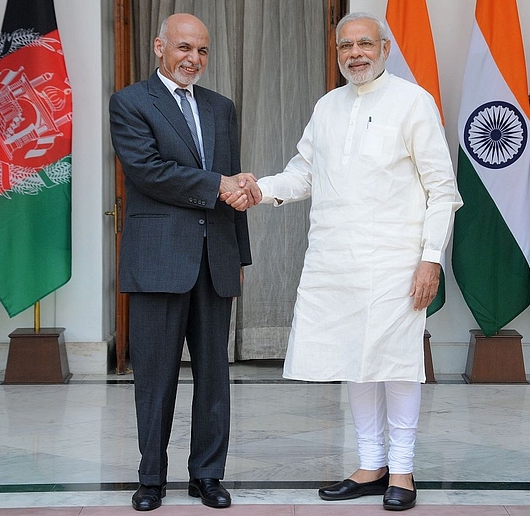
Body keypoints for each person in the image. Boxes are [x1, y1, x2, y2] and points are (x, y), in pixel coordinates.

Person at [224, 11, 462, 512]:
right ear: (337, 56)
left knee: (397, 365)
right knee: (357, 360)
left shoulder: (413, 103)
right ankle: (370, 465)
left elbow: (442, 190)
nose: (355, 53)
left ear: (385, 48)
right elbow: (302, 173)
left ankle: (402, 469)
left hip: (397, 261)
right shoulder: (328, 106)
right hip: (336, 259)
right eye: (345, 47)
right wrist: (260, 189)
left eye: (364, 44)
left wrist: (431, 260)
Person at [109, 13, 258, 512]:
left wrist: (239, 253)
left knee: (215, 377)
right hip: (157, 261)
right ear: (159, 47)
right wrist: (217, 185)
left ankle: (208, 476)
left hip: (215, 260)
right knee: (155, 377)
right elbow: (148, 172)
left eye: (203, 51)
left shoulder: (222, 108)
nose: (193, 59)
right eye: (184, 48)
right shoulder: (130, 103)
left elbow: (233, 181)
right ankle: (151, 477)